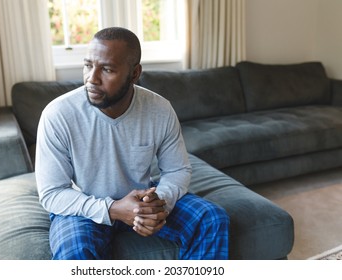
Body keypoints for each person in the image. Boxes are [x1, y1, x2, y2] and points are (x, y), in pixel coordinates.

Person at [35, 27, 229, 260]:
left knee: (212, 219)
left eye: (107, 69)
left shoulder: (159, 109)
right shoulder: (59, 114)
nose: (92, 78)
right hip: (83, 207)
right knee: (75, 251)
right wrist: (113, 209)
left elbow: (177, 169)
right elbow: (52, 193)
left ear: (135, 73)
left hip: (142, 201)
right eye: (88, 65)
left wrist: (159, 203)